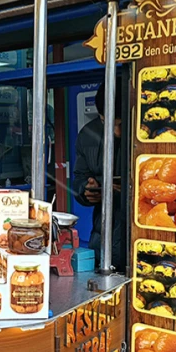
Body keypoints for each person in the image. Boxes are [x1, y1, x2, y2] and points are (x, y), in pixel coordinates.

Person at [73, 82, 124, 271]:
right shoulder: (88, 134)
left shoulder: (149, 135)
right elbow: (79, 178)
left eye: (121, 124)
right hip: (103, 237)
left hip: (140, 237)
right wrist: (86, 190)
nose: (115, 132)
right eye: (106, 122)